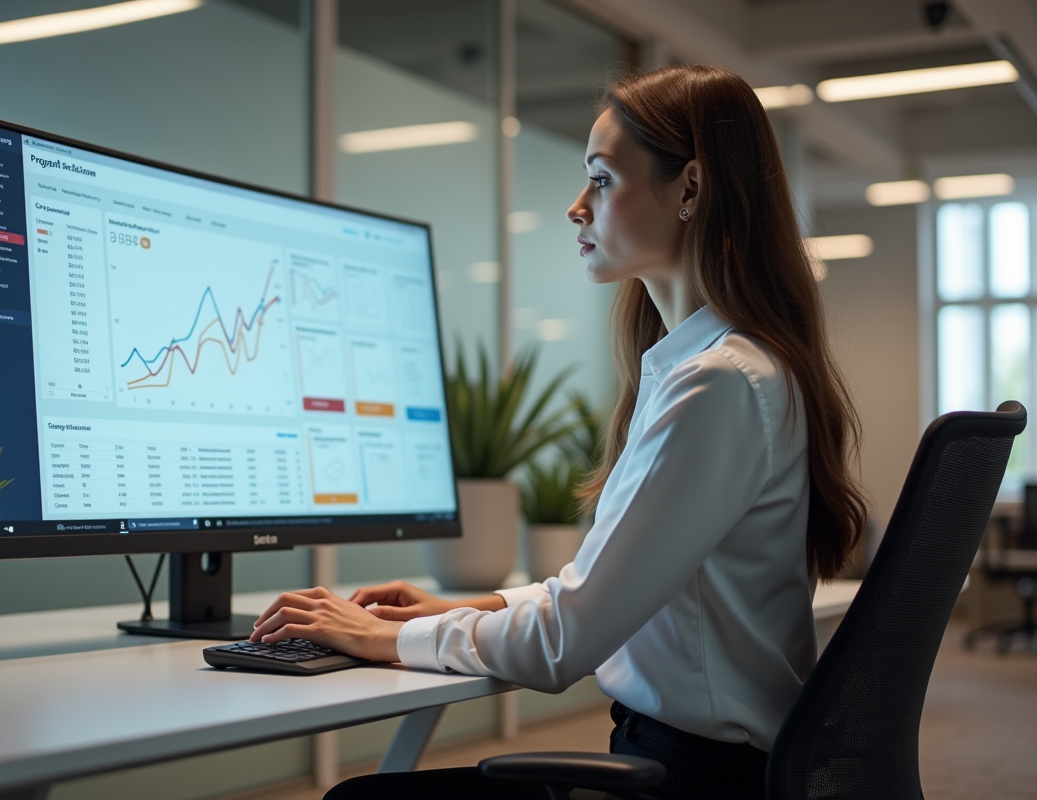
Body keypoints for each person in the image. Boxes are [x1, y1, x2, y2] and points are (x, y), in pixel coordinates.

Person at [250, 64, 868, 800]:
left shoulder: (721, 383)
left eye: (602, 179)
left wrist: (383, 636)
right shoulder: (724, 369)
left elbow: (563, 643)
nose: (577, 207)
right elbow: (597, 593)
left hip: (691, 779)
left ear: (691, 189)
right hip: (711, 767)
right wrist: (467, 607)